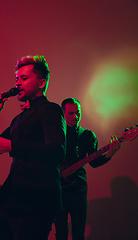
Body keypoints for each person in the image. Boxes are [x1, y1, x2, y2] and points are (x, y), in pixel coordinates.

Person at [0, 55, 66, 240]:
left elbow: (57, 151)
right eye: (17, 79)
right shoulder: (19, 118)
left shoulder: (50, 109)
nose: (18, 83)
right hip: (13, 198)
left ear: (41, 83)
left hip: (37, 201)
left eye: (24, 78)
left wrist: (11, 145)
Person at [54, 97, 121, 240]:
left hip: (78, 189)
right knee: (60, 232)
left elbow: (94, 162)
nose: (75, 116)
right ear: (63, 113)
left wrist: (110, 154)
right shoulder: (55, 135)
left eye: (78, 112)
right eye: (71, 113)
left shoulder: (87, 135)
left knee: (79, 232)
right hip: (58, 189)